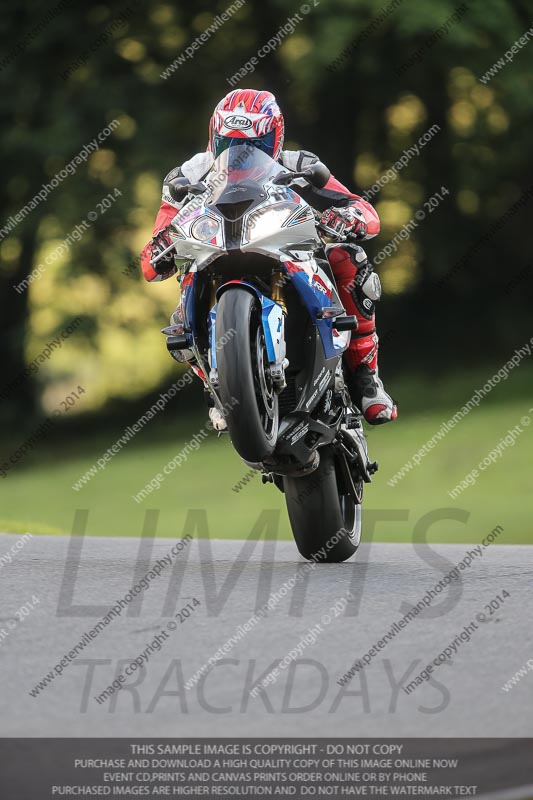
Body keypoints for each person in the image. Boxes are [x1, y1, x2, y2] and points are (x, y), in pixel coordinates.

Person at [140, 89, 397, 430]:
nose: (240, 154)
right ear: (213, 139)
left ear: (274, 139)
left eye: (253, 145)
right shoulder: (187, 175)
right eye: (229, 144)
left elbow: (364, 210)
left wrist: (346, 218)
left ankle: (366, 377)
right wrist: (162, 247)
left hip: (282, 248)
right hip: (216, 252)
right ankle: (217, 386)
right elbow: (154, 249)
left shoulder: (299, 164)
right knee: (182, 300)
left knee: (347, 258)